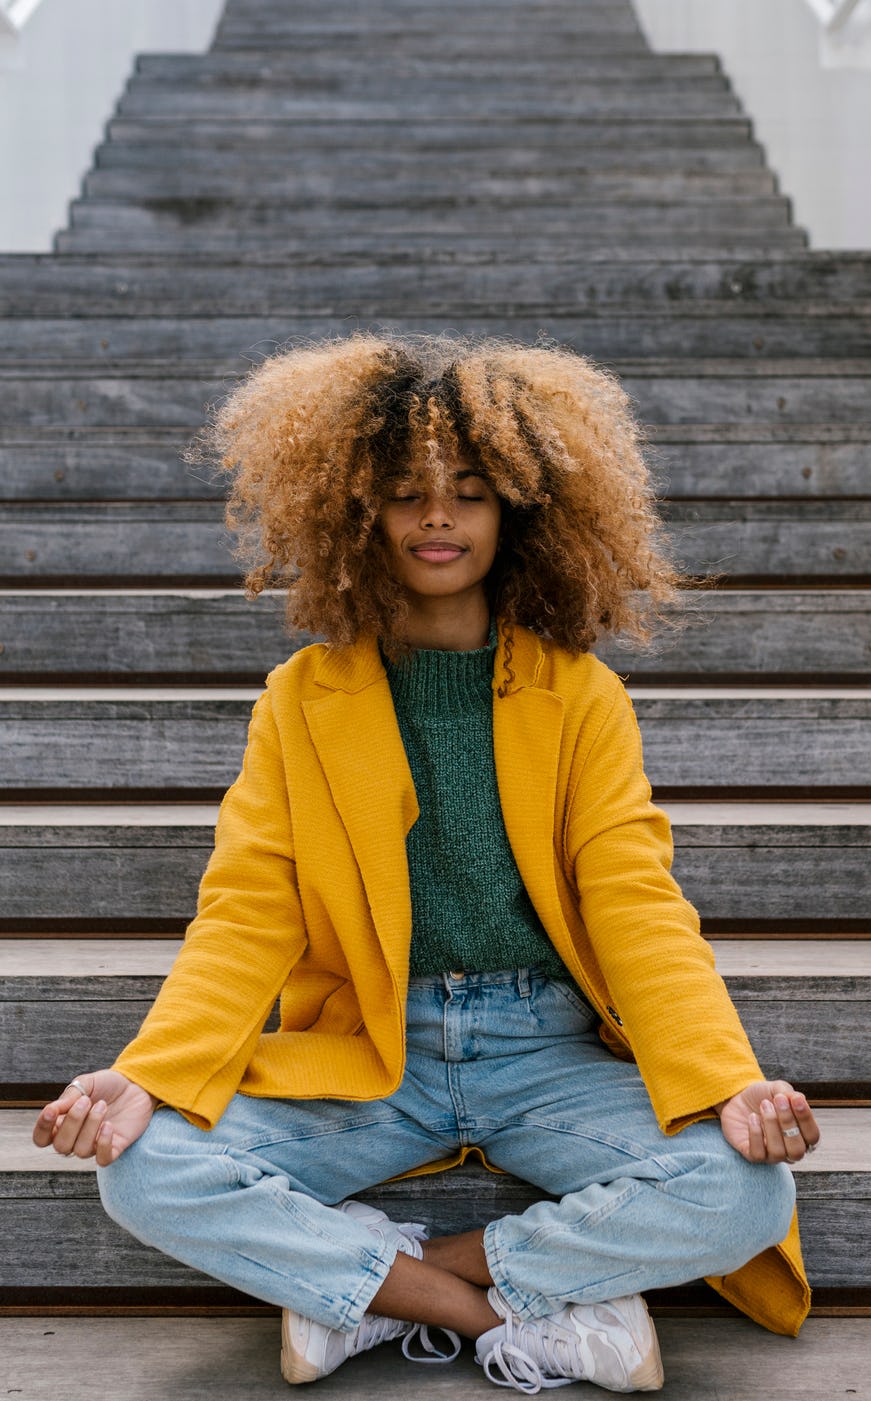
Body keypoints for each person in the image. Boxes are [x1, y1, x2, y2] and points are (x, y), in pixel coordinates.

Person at [33, 334, 819, 1394]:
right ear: (357, 514)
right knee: (143, 1173)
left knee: (745, 1194)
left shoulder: (581, 697)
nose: (437, 518)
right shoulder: (299, 702)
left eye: (469, 492)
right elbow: (247, 910)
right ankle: (501, 1314)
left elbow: (637, 904)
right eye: (405, 494)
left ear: (520, 513)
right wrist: (148, 1074)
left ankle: (358, 1287)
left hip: (543, 1050)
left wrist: (724, 1079)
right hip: (374, 1051)